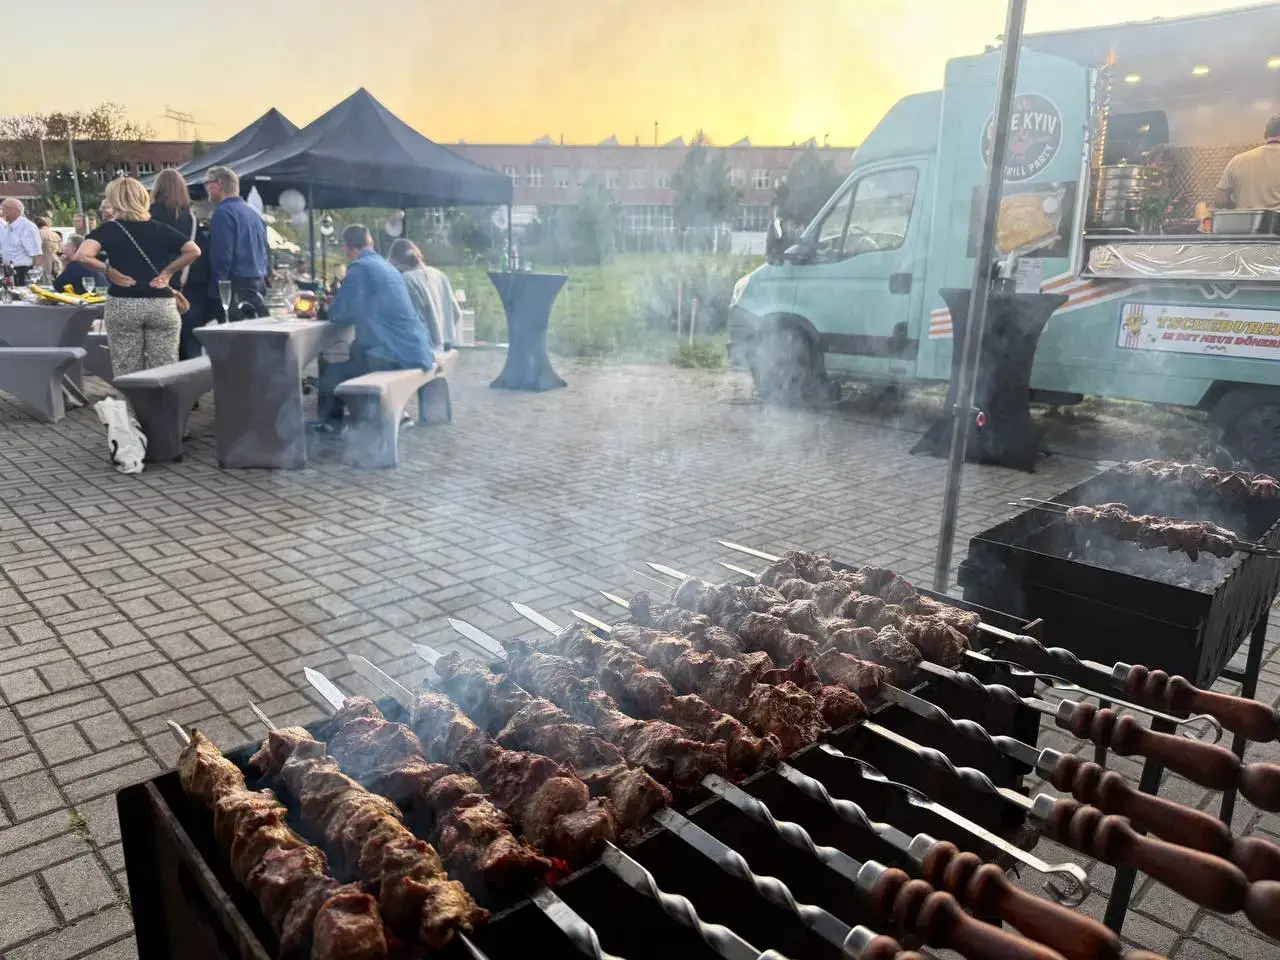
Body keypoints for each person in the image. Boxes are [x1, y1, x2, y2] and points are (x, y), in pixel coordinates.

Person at [314, 224, 436, 430]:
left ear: (348, 249)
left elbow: (337, 313)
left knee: (331, 371)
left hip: (394, 354)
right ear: (370, 243)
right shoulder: (387, 267)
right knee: (354, 351)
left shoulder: (360, 268)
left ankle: (331, 425)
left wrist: (326, 308)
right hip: (416, 349)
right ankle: (387, 413)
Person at [76, 177, 200, 378]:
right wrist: (168, 273)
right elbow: (193, 251)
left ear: (115, 200)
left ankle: (134, 409)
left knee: (127, 369)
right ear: (143, 198)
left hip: (124, 303)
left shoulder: (109, 229)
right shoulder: (160, 228)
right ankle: (164, 408)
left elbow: (82, 255)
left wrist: (109, 271)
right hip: (161, 303)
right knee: (165, 369)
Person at [151, 168, 207, 359]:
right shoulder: (190, 219)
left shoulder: (148, 215)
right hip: (183, 285)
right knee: (187, 342)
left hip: (154, 283)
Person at [203, 165, 268, 319]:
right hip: (258, 284)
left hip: (235, 288)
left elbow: (222, 255)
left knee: (234, 340)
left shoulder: (222, 213)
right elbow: (265, 252)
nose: (207, 189)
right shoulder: (254, 214)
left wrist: (217, 290)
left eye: (208, 184)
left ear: (219, 184)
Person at [387, 238, 461, 351]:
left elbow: (413, 321)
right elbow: (456, 312)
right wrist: (445, 332)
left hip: (428, 350)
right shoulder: (440, 275)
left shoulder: (407, 279)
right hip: (447, 347)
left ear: (397, 263)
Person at [1216, 115, 1280, 213]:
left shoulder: (1237, 160)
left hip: (1246, 225)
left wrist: (1238, 206)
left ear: (1265, 134)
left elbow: (1220, 201)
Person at [0, 198, 42, 284]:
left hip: (23, 272)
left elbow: (36, 253)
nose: (2, 212)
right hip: (9, 271)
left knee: (20, 296)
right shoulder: (9, 226)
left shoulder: (27, 227)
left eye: (4, 209)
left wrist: (34, 277)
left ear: (14, 210)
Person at [34, 216, 62, 281]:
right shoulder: (55, 235)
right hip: (56, 266)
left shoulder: (36, 234)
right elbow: (60, 251)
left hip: (41, 268)